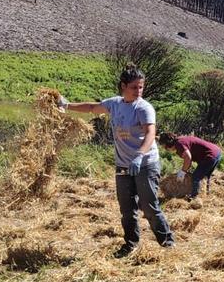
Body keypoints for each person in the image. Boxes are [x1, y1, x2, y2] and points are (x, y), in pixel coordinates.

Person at [58, 68, 174, 257]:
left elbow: (151, 133)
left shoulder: (144, 108)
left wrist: (139, 155)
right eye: (134, 87)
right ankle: (130, 245)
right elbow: (92, 108)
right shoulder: (115, 104)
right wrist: (67, 104)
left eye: (141, 87)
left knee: (149, 206)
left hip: (145, 164)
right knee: (127, 209)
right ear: (123, 86)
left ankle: (167, 243)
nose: (138, 91)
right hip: (123, 166)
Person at [159, 132, 223, 199]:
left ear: (168, 144)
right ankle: (206, 195)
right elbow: (189, 159)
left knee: (196, 177)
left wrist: (182, 172)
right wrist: (185, 169)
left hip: (210, 155)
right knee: (205, 176)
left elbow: (188, 158)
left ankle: (194, 198)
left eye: (165, 147)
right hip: (216, 152)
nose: (165, 149)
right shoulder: (180, 140)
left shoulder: (179, 144)